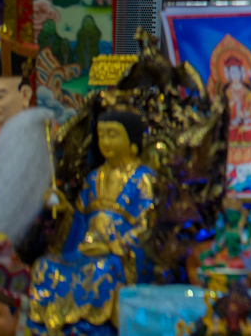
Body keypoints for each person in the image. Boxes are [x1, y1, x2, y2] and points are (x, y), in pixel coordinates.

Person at [27, 111, 156, 336]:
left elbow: (147, 226)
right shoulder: (94, 178)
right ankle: (49, 323)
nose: (105, 142)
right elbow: (79, 221)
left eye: (113, 135)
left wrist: (112, 247)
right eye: (101, 135)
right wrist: (64, 210)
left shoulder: (143, 178)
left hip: (119, 255)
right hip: (85, 249)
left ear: (132, 142)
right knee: (45, 266)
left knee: (101, 270)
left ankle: (87, 327)